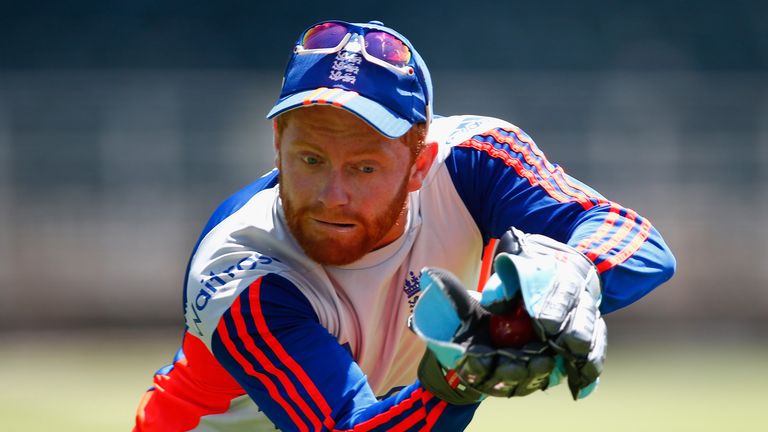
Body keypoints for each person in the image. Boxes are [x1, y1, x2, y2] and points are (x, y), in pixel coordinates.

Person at [133, 19, 675, 431]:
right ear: (278, 145)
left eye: (364, 167)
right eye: (311, 159)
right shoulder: (238, 272)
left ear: (421, 163)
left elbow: (634, 239)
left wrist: (572, 273)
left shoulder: (475, 161)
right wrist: (461, 375)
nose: (332, 195)